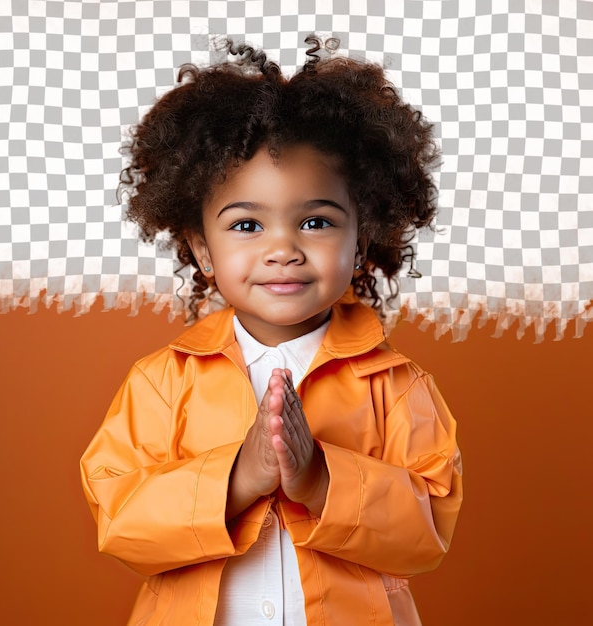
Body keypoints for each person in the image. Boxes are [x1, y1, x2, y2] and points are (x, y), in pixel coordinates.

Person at [80, 35, 463, 626]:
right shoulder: (163, 382)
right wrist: (239, 476)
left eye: (314, 221)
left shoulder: (398, 385)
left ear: (361, 244)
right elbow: (119, 516)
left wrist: (319, 479)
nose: (282, 249)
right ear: (203, 250)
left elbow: (428, 530)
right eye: (247, 224)